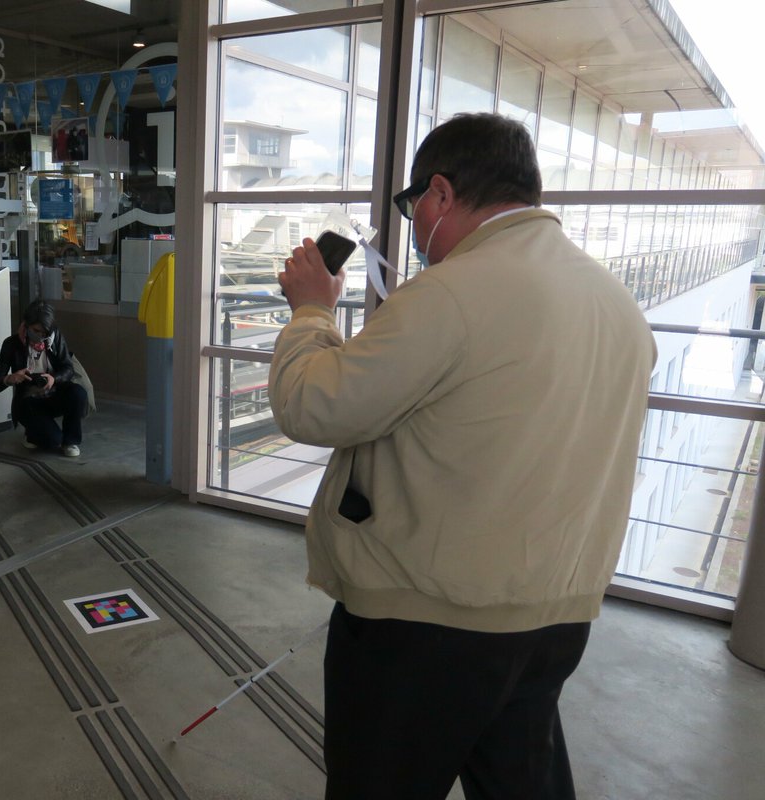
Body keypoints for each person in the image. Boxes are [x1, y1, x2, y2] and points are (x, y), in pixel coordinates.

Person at [268, 113, 657, 800]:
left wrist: (310, 313)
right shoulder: (615, 302)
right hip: (555, 615)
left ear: (440, 195)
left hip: (427, 626)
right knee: (520, 781)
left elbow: (313, 406)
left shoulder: (451, 292)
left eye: (412, 205)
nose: (414, 226)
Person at [0, 300, 87, 457]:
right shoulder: (11, 344)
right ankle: (33, 433)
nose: (41, 336)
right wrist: (10, 378)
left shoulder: (55, 338)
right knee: (52, 440)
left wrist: (54, 378)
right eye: (36, 330)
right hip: (28, 401)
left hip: (53, 393)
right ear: (26, 325)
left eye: (45, 332)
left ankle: (70, 441)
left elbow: (68, 369)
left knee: (78, 393)